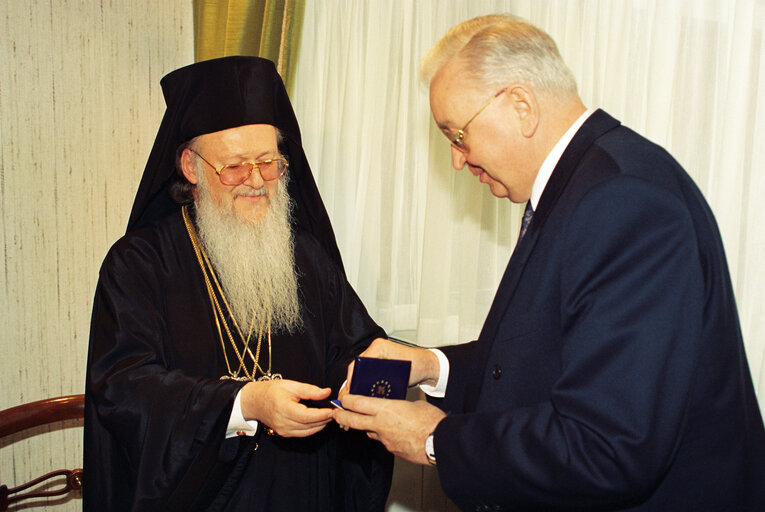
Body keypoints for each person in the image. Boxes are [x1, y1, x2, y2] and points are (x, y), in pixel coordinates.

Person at [333, 14, 765, 511]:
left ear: (520, 106)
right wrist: (433, 367)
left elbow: (609, 445)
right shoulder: (587, 182)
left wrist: (438, 441)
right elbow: (548, 359)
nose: (457, 159)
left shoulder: (624, 199)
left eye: (457, 136)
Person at [83, 56, 392, 511]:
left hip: (302, 492)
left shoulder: (303, 253)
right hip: (204, 497)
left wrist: (400, 380)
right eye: (234, 167)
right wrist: (245, 401)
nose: (256, 181)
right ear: (190, 166)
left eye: (269, 164)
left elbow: (356, 347)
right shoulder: (138, 264)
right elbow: (124, 387)